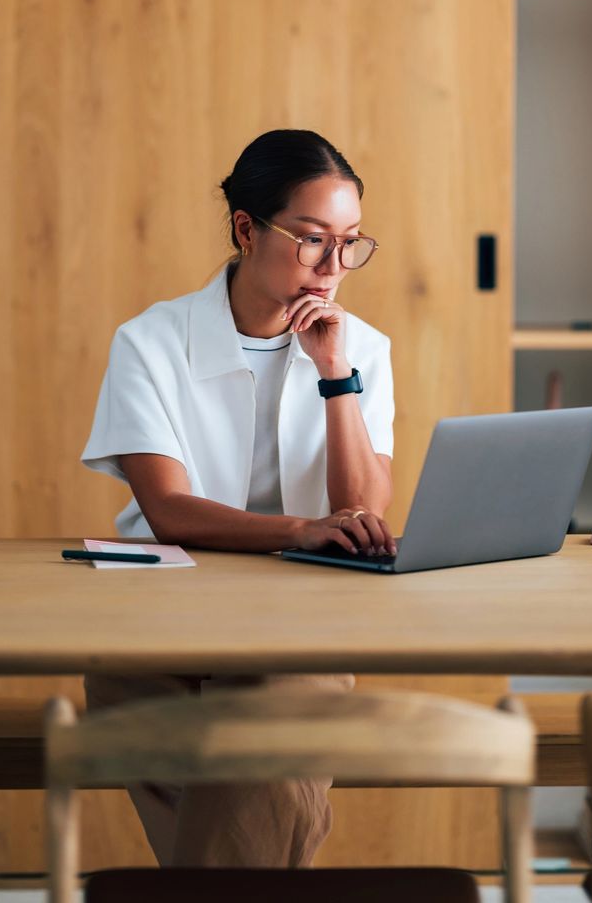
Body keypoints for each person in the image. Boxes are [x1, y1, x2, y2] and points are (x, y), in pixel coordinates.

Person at [80, 128, 396, 868]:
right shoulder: (149, 342)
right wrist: (301, 531)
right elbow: (169, 510)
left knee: (268, 733)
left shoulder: (362, 348)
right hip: (155, 622)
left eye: (351, 243)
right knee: (263, 774)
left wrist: (334, 373)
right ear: (246, 228)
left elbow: (362, 510)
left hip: (299, 622)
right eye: (314, 239)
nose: (335, 266)